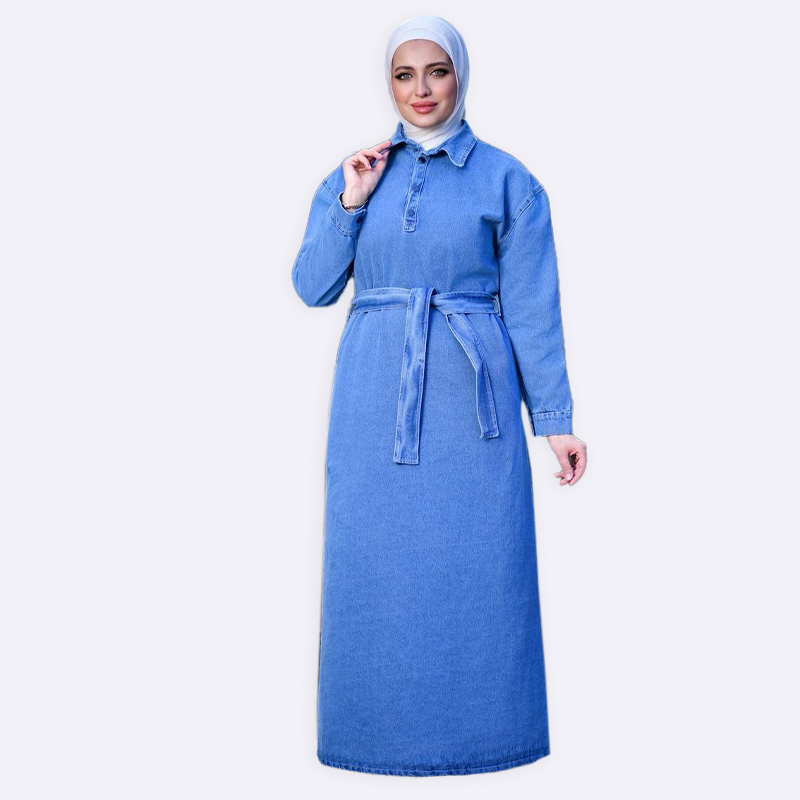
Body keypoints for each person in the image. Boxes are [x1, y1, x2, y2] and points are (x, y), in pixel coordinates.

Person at [291, 14, 587, 776]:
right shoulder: (358, 171)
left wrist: (554, 420)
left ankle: (488, 737)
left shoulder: (509, 181)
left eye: (437, 71)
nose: (421, 89)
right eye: (404, 74)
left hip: (471, 405)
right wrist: (351, 201)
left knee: (480, 568)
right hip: (370, 404)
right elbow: (311, 286)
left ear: (461, 75)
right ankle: (369, 738)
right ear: (387, 83)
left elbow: (533, 307)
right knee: (370, 568)